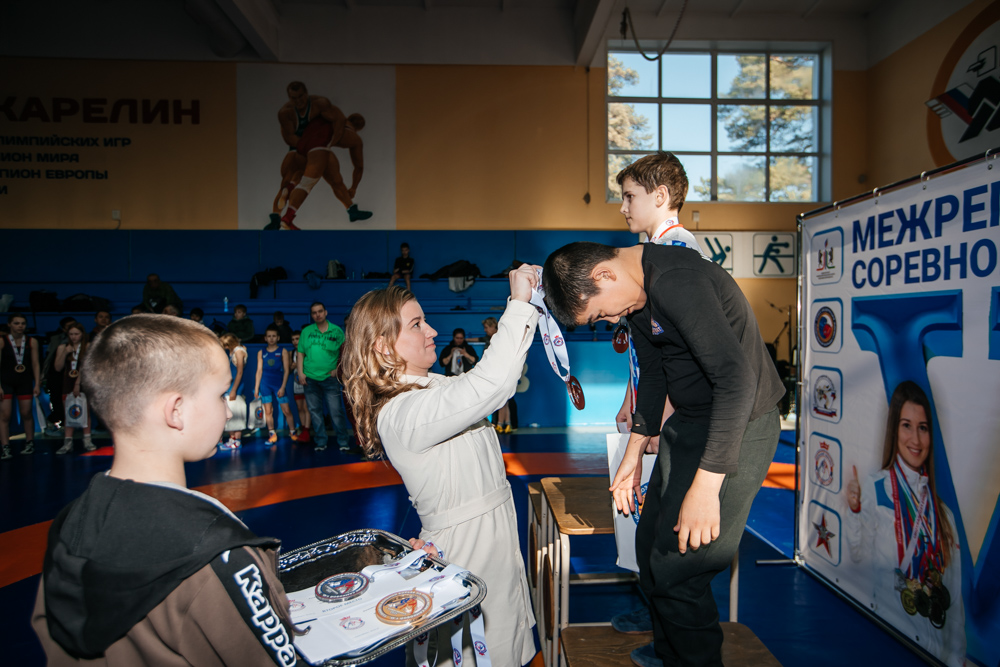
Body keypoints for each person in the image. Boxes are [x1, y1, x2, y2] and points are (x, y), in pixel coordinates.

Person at [542, 242, 784, 667]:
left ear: (603, 275)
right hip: (691, 421)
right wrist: (633, 453)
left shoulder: (675, 281)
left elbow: (737, 381)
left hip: (740, 427)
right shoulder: (637, 300)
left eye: (601, 313)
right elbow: (653, 378)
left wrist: (707, 487)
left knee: (680, 576)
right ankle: (671, 653)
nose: (613, 320)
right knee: (650, 548)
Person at [31, 314, 298, 666]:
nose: (226, 409)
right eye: (220, 395)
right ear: (176, 410)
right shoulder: (215, 555)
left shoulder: (69, 525)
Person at [340, 264, 541, 667]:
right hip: (467, 551)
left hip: (495, 544)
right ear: (383, 346)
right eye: (417, 324)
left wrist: (530, 306)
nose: (431, 331)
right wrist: (518, 304)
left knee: (510, 645)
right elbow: (492, 385)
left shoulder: (436, 388)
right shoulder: (402, 413)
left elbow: (491, 381)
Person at [609, 153, 714, 639]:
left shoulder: (679, 255)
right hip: (655, 406)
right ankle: (658, 615)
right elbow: (650, 353)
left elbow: (686, 355)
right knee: (651, 526)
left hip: (682, 418)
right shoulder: (653, 253)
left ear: (660, 197)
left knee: (673, 530)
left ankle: (671, 625)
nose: (623, 208)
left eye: (630, 197)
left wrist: (660, 420)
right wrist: (634, 403)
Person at [845, 381, 965, 666]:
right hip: (887, 642)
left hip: (933, 650)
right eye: (906, 425)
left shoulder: (943, 515)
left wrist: (957, 657)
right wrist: (854, 511)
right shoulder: (872, 490)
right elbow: (858, 556)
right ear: (894, 430)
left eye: (923, 427)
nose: (916, 439)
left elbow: (955, 599)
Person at [273, 82, 372, 229]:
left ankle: (352, 210)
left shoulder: (308, 112)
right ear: (358, 128)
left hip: (304, 146)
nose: (299, 101)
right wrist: (354, 188)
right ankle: (287, 218)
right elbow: (359, 166)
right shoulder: (352, 136)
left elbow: (289, 136)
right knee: (307, 184)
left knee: (335, 179)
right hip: (317, 146)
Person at [296, 302, 350, 451]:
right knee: (315, 412)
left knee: (336, 411)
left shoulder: (337, 331)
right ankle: (321, 442)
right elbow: (300, 353)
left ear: (325, 312)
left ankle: (343, 441)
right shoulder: (306, 332)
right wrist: (300, 373)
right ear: (311, 315)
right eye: (314, 312)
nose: (317, 314)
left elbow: (344, 354)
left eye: (320, 311)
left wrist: (337, 370)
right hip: (310, 379)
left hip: (330, 379)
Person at [0, 313, 41, 459]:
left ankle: (29, 442)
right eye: (16, 323)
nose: (20, 326)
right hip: (6, 382)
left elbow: (36, 364)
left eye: (23, 323)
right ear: (9, 324)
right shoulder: (2, 341)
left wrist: (37, 383)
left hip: (24, 382)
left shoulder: (32, 341)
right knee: (5, 415)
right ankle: (5, 446)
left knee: (26, 413)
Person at [54, 322, 94, 455]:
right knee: (68, 412)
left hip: (83, 382)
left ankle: (87, 440)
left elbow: (87, 367)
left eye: (76, 334)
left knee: (85, 412)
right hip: (67, 382)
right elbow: (58, 367)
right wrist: (64, 353)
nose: (74, 337)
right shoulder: (63, 347)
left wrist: (78, 383)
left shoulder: (87, 346)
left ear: (82, 334)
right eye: (71, 334)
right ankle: (67, 443)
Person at [254, 324, 295, 445]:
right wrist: (256, 389)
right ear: (265, 338)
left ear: (278, 338)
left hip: (278, 384)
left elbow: (287, 370)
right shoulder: (261, 352)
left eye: (274, 336)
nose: (271, 338)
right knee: (268, 411)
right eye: (269, 336)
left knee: (286, 410)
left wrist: (283, 387)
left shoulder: (283, 351)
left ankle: (292, 432)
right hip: (265, 385)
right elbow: (259, 371)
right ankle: (272, 434)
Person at [41, 316, 77, 434]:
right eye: (69, 327)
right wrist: (44, 375)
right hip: (57, 375)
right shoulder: (56, 340)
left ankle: (75, 427)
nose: (72, 329)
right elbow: (49, 358)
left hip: (75, 374)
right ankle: (55, 421)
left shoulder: (83, 340)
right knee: (57, 401)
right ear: (63, 329)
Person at [219, 333, 248, 450]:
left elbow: (239, 372)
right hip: (230, 386)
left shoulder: (239, 352)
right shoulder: (234, 351)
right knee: (230, 412)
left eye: (226, 345)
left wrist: (234, 390)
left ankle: (236, 440)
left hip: (235, 387)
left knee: (235, 412)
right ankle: (232, 439)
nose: (225, 348)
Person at [289, 330, 309, 442]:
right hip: (296, 384)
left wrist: (296, 364)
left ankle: (307, 429)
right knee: (300, 408)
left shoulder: (306, 351)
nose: (295, 341)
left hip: (306, 383)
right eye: (293, 340)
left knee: (307, 408)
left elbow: (308, 364)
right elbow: (289, 367)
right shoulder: (292, 353)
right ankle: (303, 428)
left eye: (297, 339)